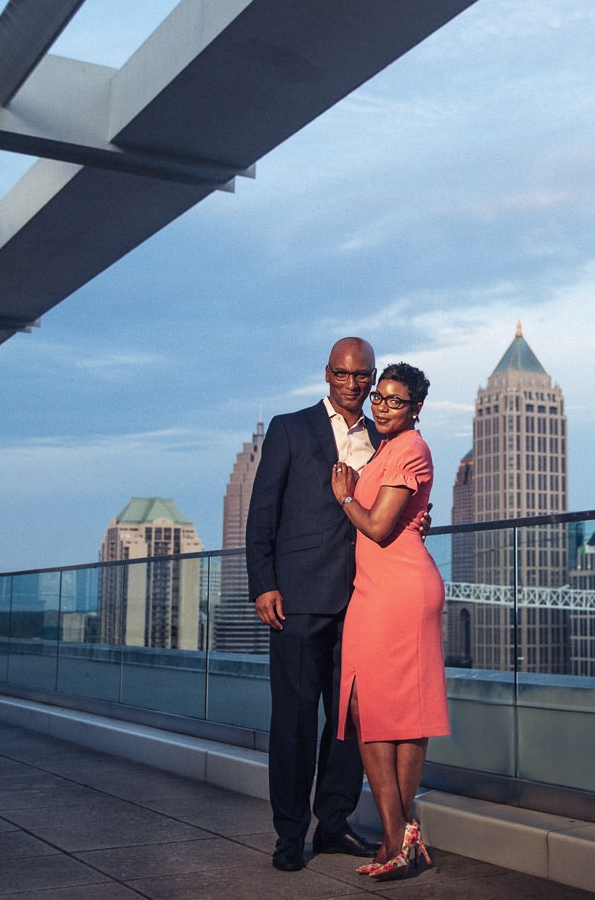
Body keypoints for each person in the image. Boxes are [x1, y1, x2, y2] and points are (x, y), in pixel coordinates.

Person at [246, 337, 384, 871]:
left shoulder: (381, 436)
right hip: (298, 599)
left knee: (351, 719)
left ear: (371, 378)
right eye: (344, 374)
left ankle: (334, 825)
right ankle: (289, 834)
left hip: (362, 599)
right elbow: (263, 513)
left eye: (362, 376)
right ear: (327, 374)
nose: (353, 385)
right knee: (295, 721)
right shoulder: (290, 428)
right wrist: (264, 583)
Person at [330, 362, 449, 881]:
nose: (380, 405)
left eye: (394, 401)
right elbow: (404, 513)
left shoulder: (409, 448)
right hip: (380, 589)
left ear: (416, 408)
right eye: (379, 396)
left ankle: (395, 837)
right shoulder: (389, 448)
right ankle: (400, 838)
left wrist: (346, 497)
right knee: (386, 713)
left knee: (378, 709)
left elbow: (378, 527)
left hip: (398, 590)